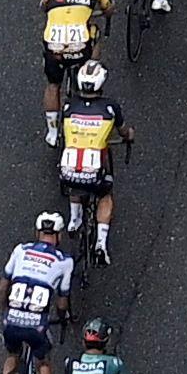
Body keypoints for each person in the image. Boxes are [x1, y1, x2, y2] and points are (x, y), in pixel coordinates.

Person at [0, 211, 80, 374]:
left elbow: (3, 286)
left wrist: (5, 309)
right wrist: (62, 319)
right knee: (43, 364)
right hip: (37, 325)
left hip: (12, 319)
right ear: (59, 236)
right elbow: (62, 300)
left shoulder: (20, 250)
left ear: (37, 232)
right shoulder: (64, 261)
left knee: (12, 355)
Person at [37, 0, 114, 139]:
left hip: (53, 44)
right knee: (95, 33)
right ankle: (89, 69)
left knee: (53, 84)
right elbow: (107, 8)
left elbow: (44, 5)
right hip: (80, 45)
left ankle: (52, 132)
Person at [52, 58, 127, 259]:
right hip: (94, 172)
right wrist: (129, 136)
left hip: (67, 171)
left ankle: (74, 219)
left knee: (73, 180)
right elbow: (123, 131)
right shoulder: (110, 108)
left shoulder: (68, 107)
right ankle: (101, 243)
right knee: (105, 195)